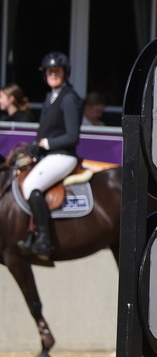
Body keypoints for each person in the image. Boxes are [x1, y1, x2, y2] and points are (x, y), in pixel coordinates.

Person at [18, 51, 83, 262]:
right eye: (49, 71)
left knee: (30, 187)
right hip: (49, 155)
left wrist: (48, 143)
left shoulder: (69, 98)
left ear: (65, 73)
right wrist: (35, 147)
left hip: (63, 156)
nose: (53, 74)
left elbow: (72, 136)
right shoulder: (50, 97)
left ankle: (45, 242)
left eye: (57, 71)